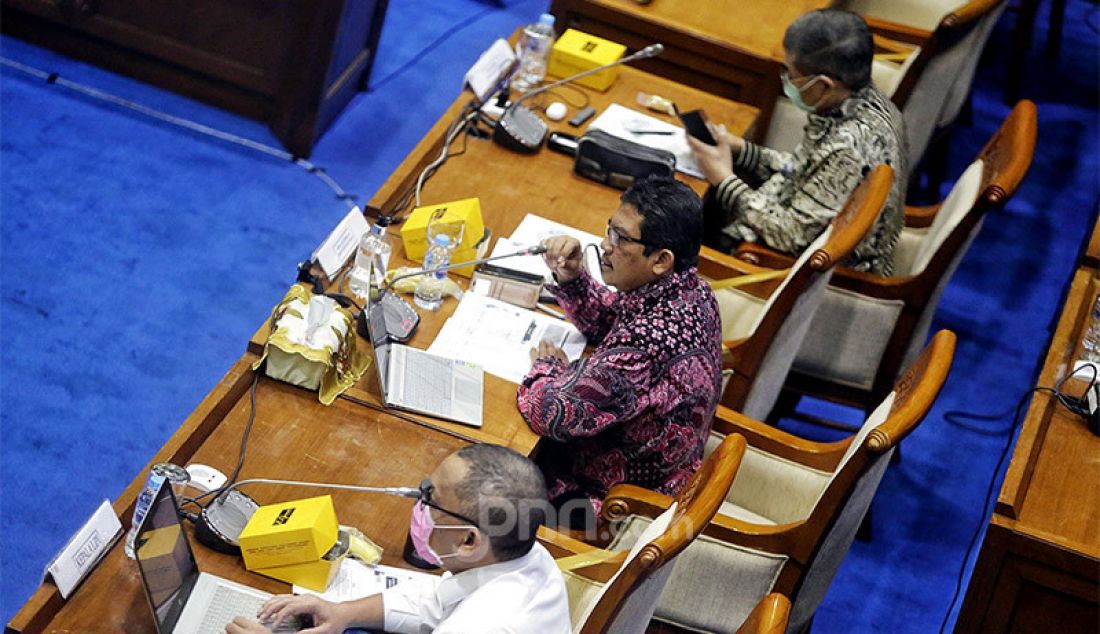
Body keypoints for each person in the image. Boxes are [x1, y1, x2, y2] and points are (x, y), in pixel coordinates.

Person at [517, 175, 723, 528]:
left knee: (481, 478)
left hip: (613, 505)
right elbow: (609, 318)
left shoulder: (642, 347)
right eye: (610, 230)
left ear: (661, 259)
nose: (604, 245)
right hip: (661, 471)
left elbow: (549, 411)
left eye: (621, 238)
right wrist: (573, 278)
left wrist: (549, 368)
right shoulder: (692, 291)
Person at [224, 444, 570, 634]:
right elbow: (434, 603)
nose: (417, 501)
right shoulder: (522, 552)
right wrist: (341, 612)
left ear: (468, 541)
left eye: (430, 497)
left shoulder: (486, 625)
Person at [688, 8, 907, 276]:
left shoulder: (849, 148)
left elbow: (789, 235)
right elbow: (806, 170)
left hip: (823, 277)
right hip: (807, 230)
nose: (786, 81)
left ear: (824, 85)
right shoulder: (868, 102)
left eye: (791, 74)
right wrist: (742, 150)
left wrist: (723, 179)